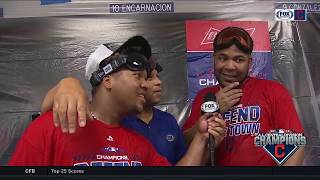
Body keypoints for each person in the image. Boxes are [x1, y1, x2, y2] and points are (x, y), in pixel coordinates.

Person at [9, 37, 225, 166]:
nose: (145, 84)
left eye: (146, 76)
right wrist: (67, 83)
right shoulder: (52, 127)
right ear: (107, 79)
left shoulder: (140, 144)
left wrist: (201, 138)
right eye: (136, 76)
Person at [182, 27, 305, 166]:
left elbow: (294, 143)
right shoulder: (205, 96)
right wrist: (213, 110)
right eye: (222, 58)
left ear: (250, 62)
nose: (230, 66)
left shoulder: (273, 91)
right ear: (214, 59)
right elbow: (185, 142)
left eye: (239, 60)